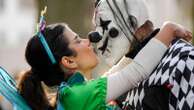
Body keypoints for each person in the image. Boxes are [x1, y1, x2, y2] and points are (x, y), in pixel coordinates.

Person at [18, 22, 192, 110]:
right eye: (78, 40)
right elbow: (136, 73)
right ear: (68, 61)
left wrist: (140, 47)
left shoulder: (71, 95)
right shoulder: (76, 96)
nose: (88, 41)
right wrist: (168, 29)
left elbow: (112, 76)